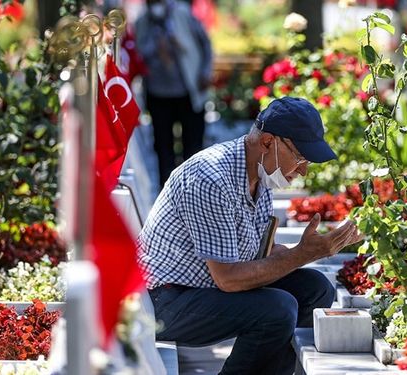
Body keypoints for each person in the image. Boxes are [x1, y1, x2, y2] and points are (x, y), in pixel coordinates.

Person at [137, 97, 363, 375]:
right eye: (301, 157)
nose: (304, 170)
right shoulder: (210, 178)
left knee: (315, 289)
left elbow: (259, 255)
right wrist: (303, 254)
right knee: (277, 310)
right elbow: (229, 279)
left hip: (203, 289)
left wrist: (315, 247)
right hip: (162, 301)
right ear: (268, 142)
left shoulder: (260, 173)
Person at [135, 0, 212, 189]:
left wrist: (204, 73)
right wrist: (156, 46)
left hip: (188, 93)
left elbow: (205, 45)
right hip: (158, 95)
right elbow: (138, 54)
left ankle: (194, 192)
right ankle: (168, 194)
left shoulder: (183, 13)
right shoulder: (142, 21)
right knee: (163, 149)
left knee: (193, 147)